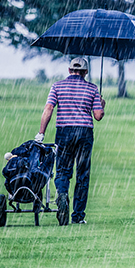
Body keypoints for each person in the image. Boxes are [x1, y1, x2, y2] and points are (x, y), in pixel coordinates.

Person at [36, 57, 105, 225]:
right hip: (84, 133)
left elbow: (49, 108)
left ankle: (62, 195)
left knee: (62, 170)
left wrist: (41, 133)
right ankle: (78, 216)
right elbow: (98, 116)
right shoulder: (92, 88)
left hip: (64, 131)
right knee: (83, 174)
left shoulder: (57, 86)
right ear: (86, 72)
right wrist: (102, 104)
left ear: (69, 70)